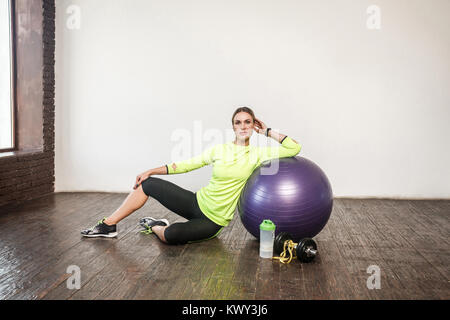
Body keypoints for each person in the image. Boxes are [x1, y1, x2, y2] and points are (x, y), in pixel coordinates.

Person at [81, 107, 301, 245]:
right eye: (238, 122)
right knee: (147, 183)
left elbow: (294, 147)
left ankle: (157, 226)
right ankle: (108, 225)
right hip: (196, 202)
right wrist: (151, 170)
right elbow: (186, 165)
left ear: (253, 125)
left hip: (214, 220)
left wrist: (267, 131)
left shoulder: (259, 154)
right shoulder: (219, 150)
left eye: (248, 122)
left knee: (170, 236)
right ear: (232, 127)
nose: (243, 126)